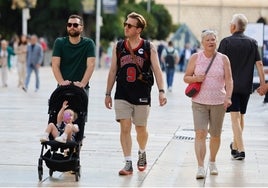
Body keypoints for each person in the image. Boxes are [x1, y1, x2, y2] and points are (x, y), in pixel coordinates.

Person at [104, 12, 167, 176]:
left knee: (141, 129)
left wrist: (161, 91)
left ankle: (142, 151)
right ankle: (128, 162)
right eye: (125, 24)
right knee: (124, 127)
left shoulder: (148, 47)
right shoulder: (118, 47)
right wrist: (107, 93)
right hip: (122, 94)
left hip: (142, 94)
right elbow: (112, 71)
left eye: (130, 25)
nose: (126, 27)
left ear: (138, 29)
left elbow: (157, 70)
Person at [184, 30, 233, 179]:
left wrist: (228, 97)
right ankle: (200, 167)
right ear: (202, 43)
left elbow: (229, 80)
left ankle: (212, 162)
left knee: (215, 135)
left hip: (218, 102)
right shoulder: (195, 57)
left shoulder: (223, 59)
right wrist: (196, 78)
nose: (211, 42)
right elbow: (186, 77)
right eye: (208, 40)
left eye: (213, 39)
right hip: (199, 101)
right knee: (200, 133)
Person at [218, 13, 265, 160]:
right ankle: (236, 145)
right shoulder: (252, 43)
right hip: (246, 86)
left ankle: (241, 149)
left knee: (234, 118)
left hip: (231, 86)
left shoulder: (226, 42)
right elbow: (259, 64)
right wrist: (263, 84)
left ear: (233, 26)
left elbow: (218, 64)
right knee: (241, 116)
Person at [51, 14, 95, 97]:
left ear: (81, 28)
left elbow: (91, 65)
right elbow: (55, 64)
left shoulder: (89, 43)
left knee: (79, 110)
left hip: (81, 88)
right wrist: (61, 83)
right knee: (61, 110)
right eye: (69, 25)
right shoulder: (59, 42)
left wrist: (82, 84)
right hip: (63, 87)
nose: (72, 27)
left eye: (75, 25)